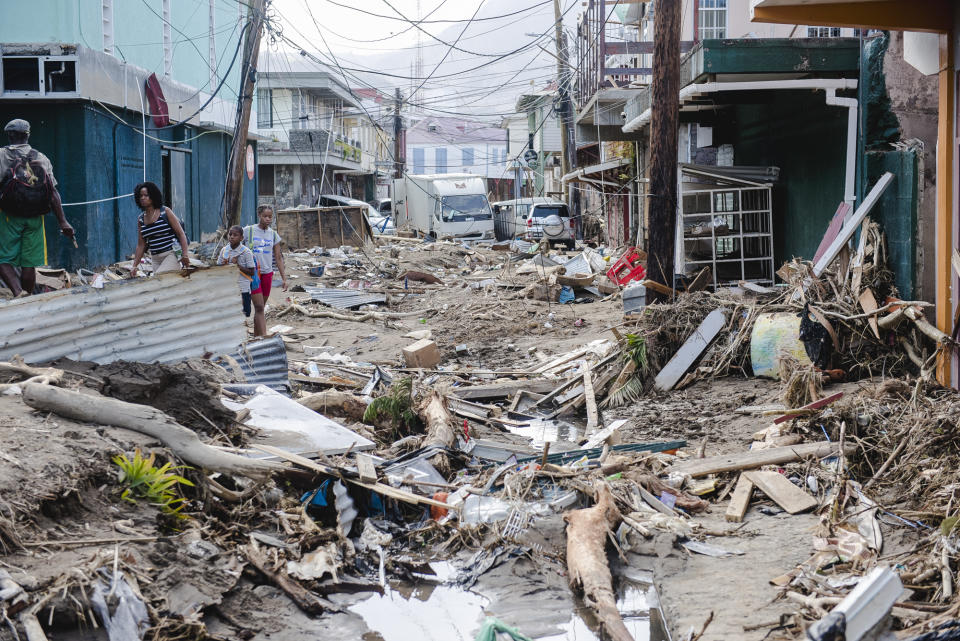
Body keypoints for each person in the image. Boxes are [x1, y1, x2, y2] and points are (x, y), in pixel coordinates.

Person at [0, 119, 75, 297]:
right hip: (35, 217)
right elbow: (53, 193)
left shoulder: (2, 155)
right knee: (29, 263)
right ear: (27, 135)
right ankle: (28, 295)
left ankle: (18, 293)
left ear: (10, 135)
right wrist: (63, 222)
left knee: (2, 258)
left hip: (8, 216)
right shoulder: (41, 158)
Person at [129, 181, 190, 277]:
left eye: (146, 195)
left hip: (171, 255)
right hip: (155, 259)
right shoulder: (141, 219)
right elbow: (141, 245)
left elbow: (181, 234)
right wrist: (134, 266)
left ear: (153, 196)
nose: (143, 198)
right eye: (140, 196)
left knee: (158, 278)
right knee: (163, 287)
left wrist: (185, 255)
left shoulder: (165, 212)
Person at [218, 225, 265, 337]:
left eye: (235, 235)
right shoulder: (224, 250)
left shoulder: (246, 252)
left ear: (241, 238)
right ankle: (234, 337)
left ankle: (243, 336)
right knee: (230, 313)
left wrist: (237, 265)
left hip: (243, 288)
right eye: (230, 234)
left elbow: (252, 271)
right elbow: (218, 267)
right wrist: (224, 264)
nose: (232, 237)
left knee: (243, 313)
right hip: (229, 287)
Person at [243, 205, 287, 301]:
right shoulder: (248, 231)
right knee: (258, 304)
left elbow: (278, 257)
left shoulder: (273, 234)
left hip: (267, 273)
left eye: (270, 217)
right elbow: (235, 246)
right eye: (265, 216)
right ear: (259, 215)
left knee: (262, 305)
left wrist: (284, 278)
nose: (268, 219)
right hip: (252, 273)